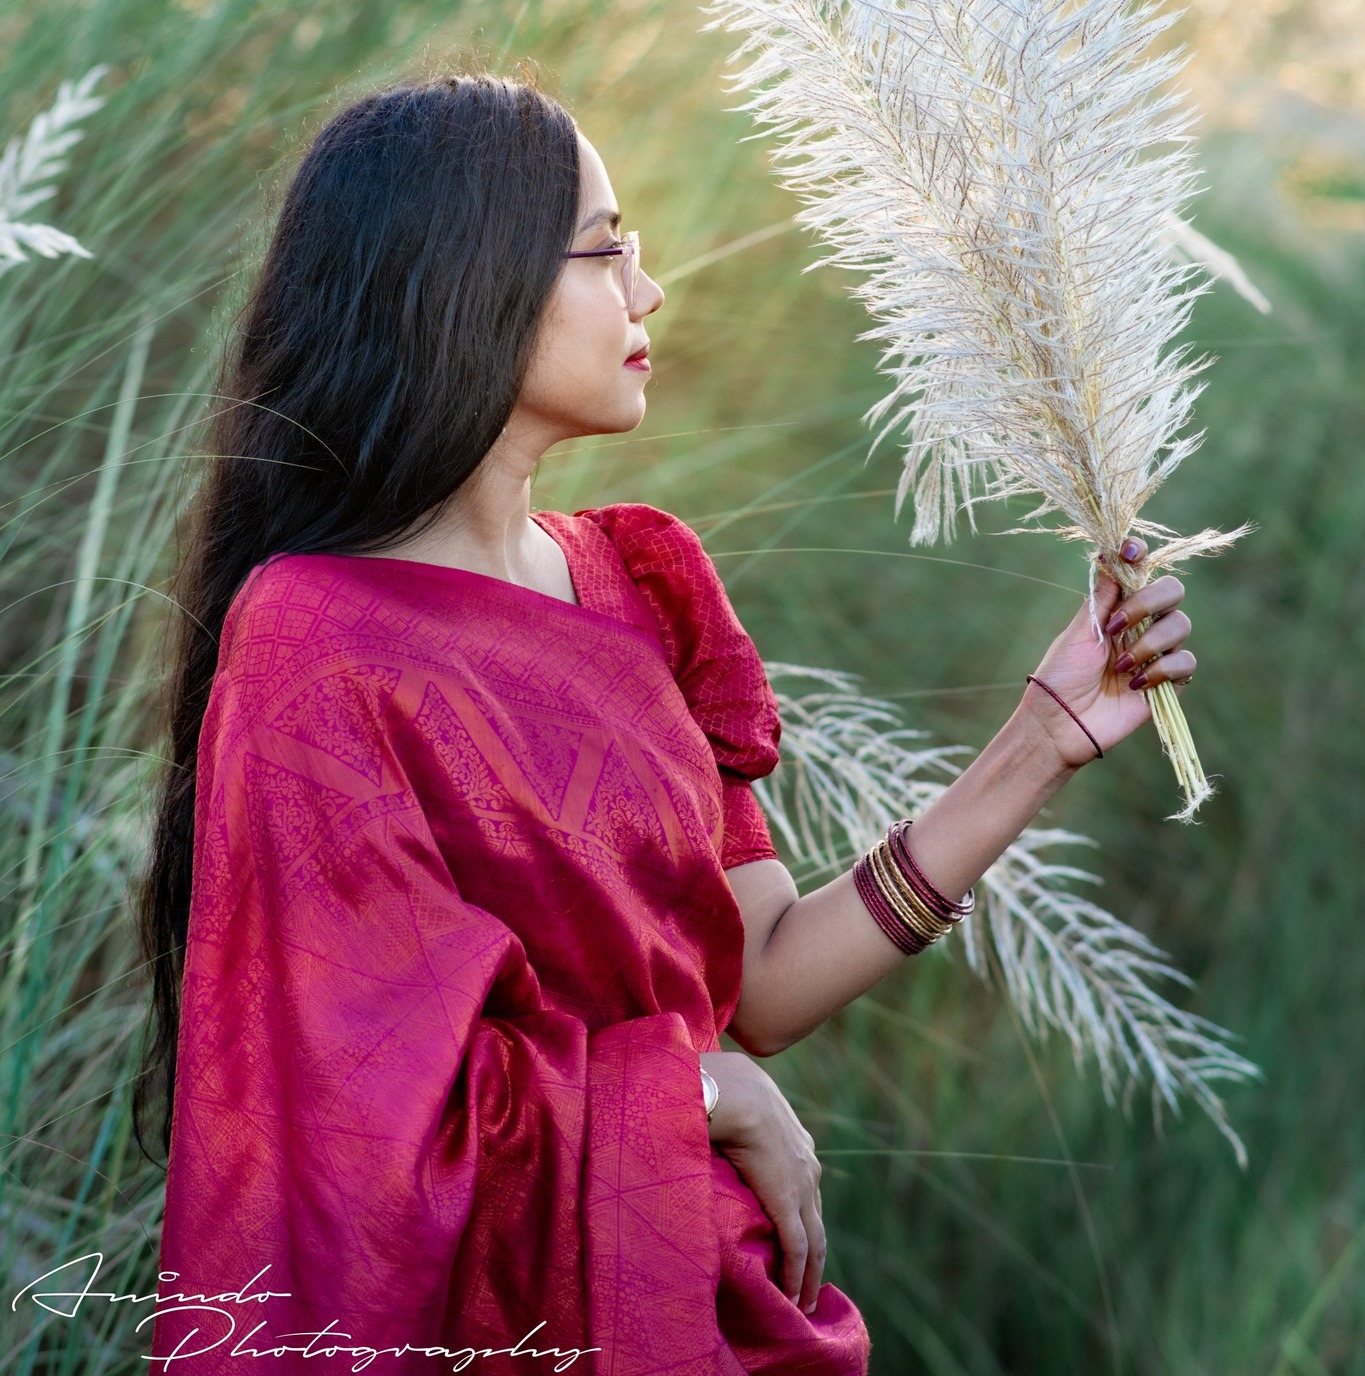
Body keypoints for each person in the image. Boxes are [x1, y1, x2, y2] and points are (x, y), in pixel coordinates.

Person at [135, 73, 1197, 1376]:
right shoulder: (318, 646)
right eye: (604, 250)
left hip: (717, 1300)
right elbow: (350, 1103)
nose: (647, 290)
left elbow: (763, 979)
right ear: (468, 280)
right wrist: (689, 1090)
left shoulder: (641, 584)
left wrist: (1041, 738)